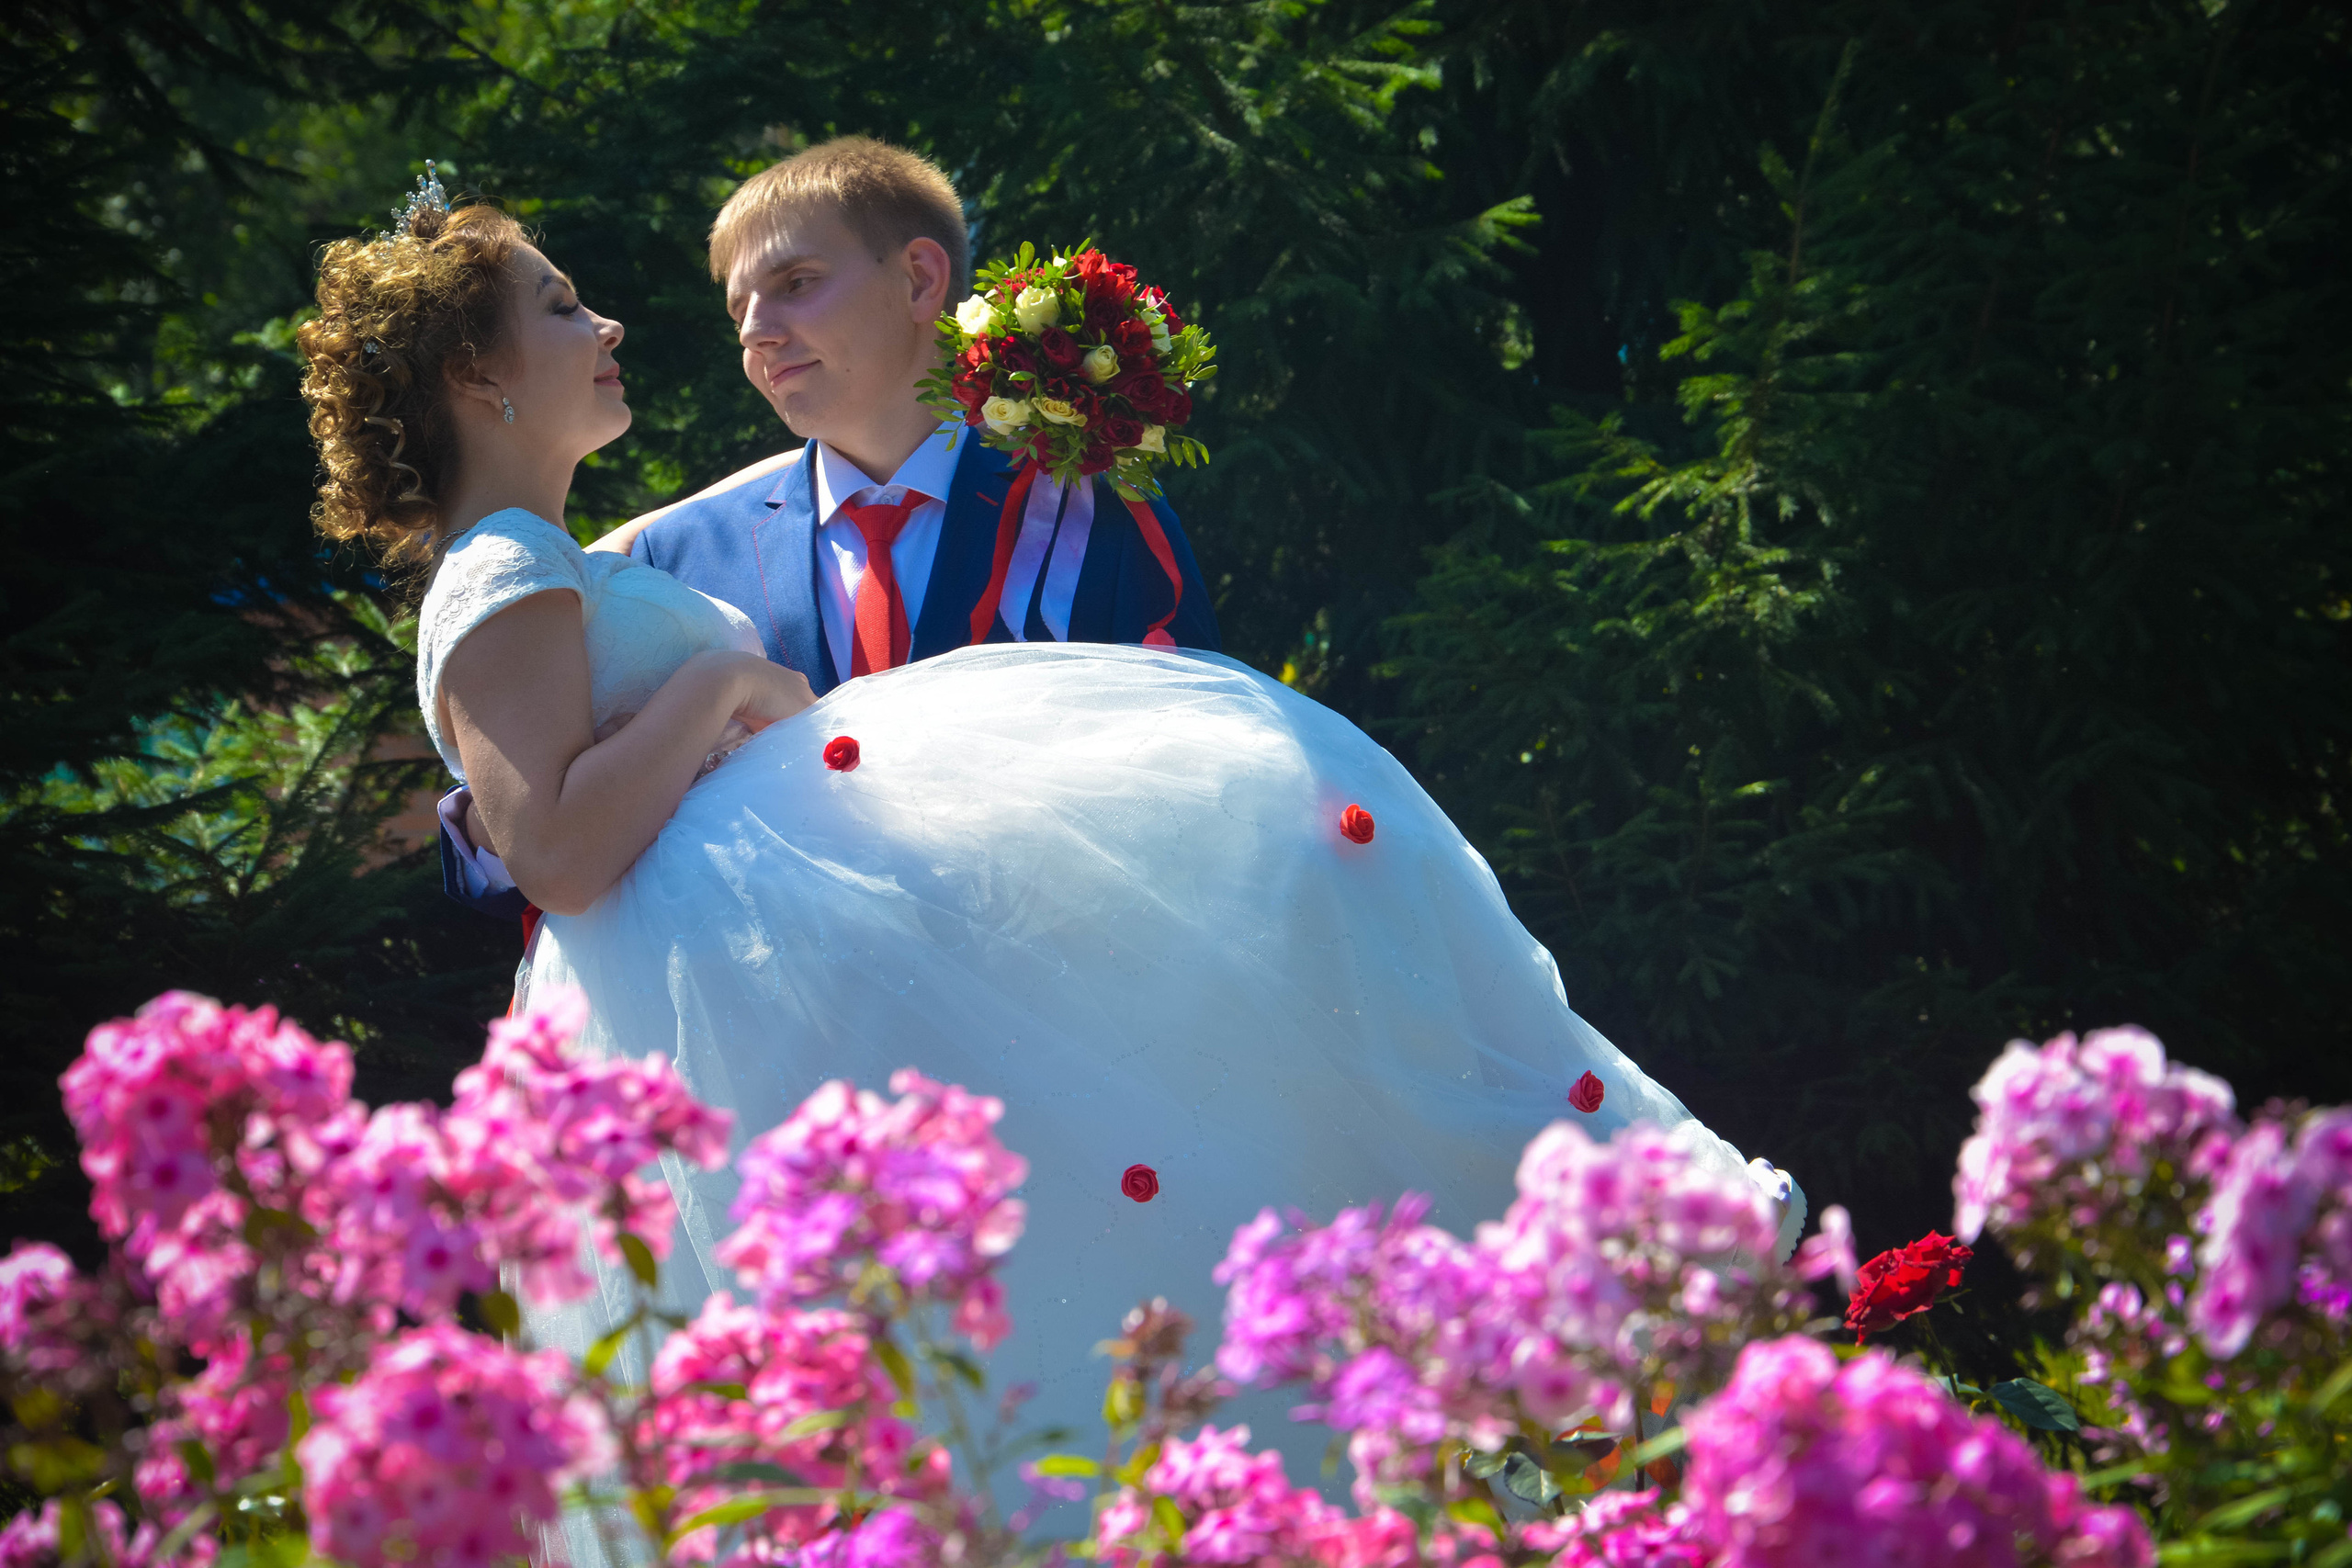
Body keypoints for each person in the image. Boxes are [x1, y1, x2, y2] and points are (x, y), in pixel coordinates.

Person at [300, 157, 1802, 1548]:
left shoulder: (585, 555)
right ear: (477, 374)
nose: (621, 318)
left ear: (922, 283)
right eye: (564, 304)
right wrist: (725, 688)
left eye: (796, 283)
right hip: (772, 1024)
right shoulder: (543, 565)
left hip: (923, 995)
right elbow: (545, 841)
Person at [433, 137, 1218, 925]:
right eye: (739, 311)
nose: (755, 333)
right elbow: (548, 804)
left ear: (919, 279)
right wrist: (486, 826)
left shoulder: (1095, 512)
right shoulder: (673, 559)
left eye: (796, 284)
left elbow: (1198, 777)